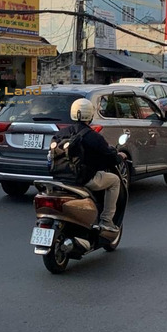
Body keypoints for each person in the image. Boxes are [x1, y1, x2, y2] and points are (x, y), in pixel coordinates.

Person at [64, 98, 124, 233]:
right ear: (90, 115)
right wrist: (119, 157)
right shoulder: (93, 137)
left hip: (60, 178)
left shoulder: (61, 133)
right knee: (115, 181)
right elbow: (109, 156)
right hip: (84, 178)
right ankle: (107, 220)